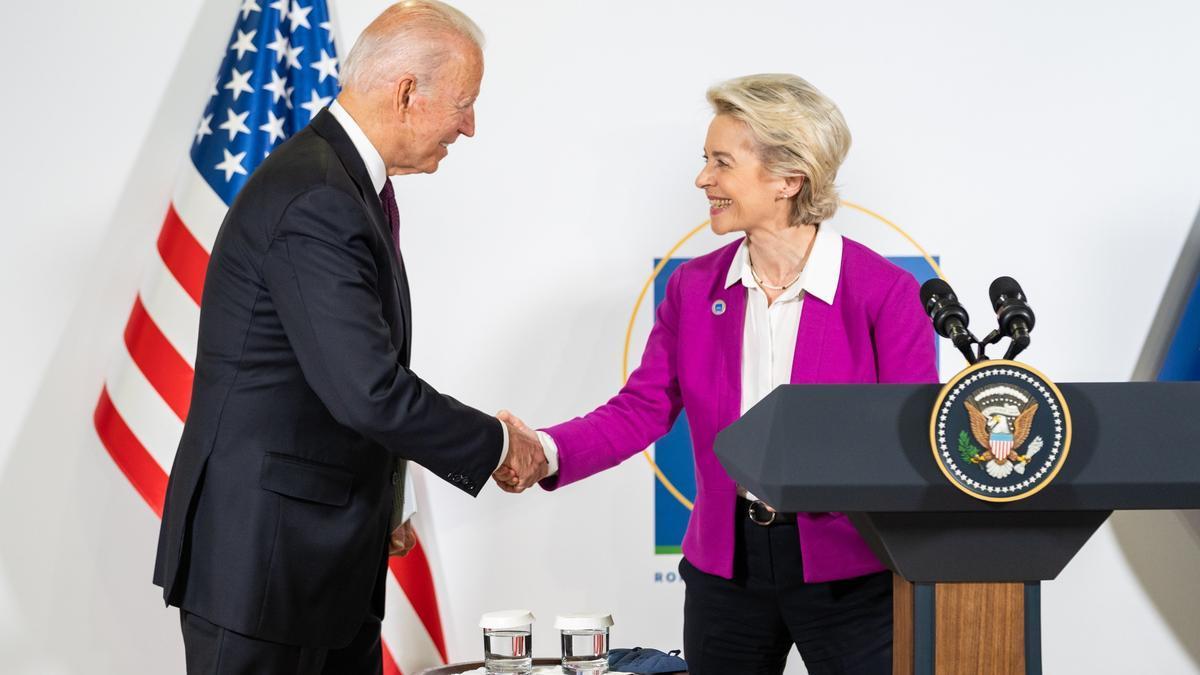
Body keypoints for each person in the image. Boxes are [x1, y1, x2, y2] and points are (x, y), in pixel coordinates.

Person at [153, 3, 547, 673]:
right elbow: (368, 390)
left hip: (318, 565)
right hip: (266, 573)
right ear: (405, 94)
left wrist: (383, 499)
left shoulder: (342, 185)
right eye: (464, 102)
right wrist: (501, 444)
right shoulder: (317, 195)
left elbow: (326, 383)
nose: (470, 126)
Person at [497, 74, 937, 675]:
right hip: (726, 575)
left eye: (721, 163)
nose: (703, 179)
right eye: (706, 160)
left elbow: (912, 441)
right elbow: (642, 407)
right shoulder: (693, 287)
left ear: (788, 178)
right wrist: (544, 451)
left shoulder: (886, 294)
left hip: (850, 575)